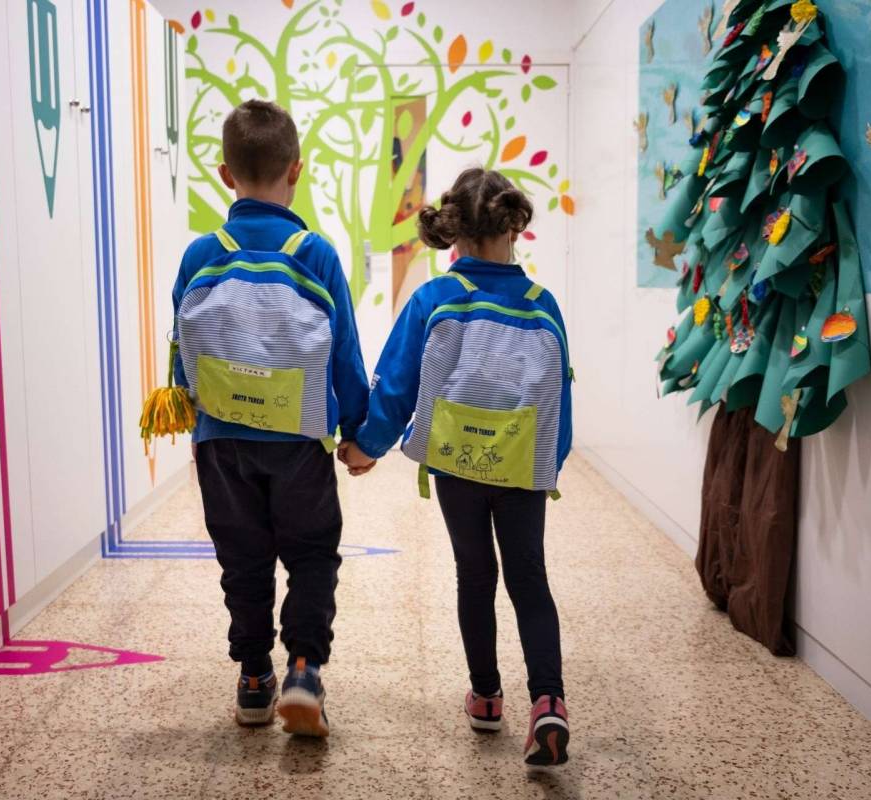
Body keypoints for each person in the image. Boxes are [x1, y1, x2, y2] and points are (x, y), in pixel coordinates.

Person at [340, 168, 573, 767]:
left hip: (456, 464)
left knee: (475, 574)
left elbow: (396, 384)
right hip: (521, 465)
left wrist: (366, 445)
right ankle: (548, 701)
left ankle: (488, 697)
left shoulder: (435, 298)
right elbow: (560, 407)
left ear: (455, 234)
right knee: (530, 578)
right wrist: (549, 465)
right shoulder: (541, 304)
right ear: (513, 227)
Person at [172, 99, 371, 737]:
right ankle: (305, 670)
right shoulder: (315, 255)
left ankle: (254, 676)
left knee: (244, 559)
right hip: (297, 442)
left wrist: (195, 414)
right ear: (298, 170)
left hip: (222, 442)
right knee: (312, 555)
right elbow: (345, 352)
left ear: (226, 174)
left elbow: (180, 351)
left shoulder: (201, 253)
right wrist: (358, 433)